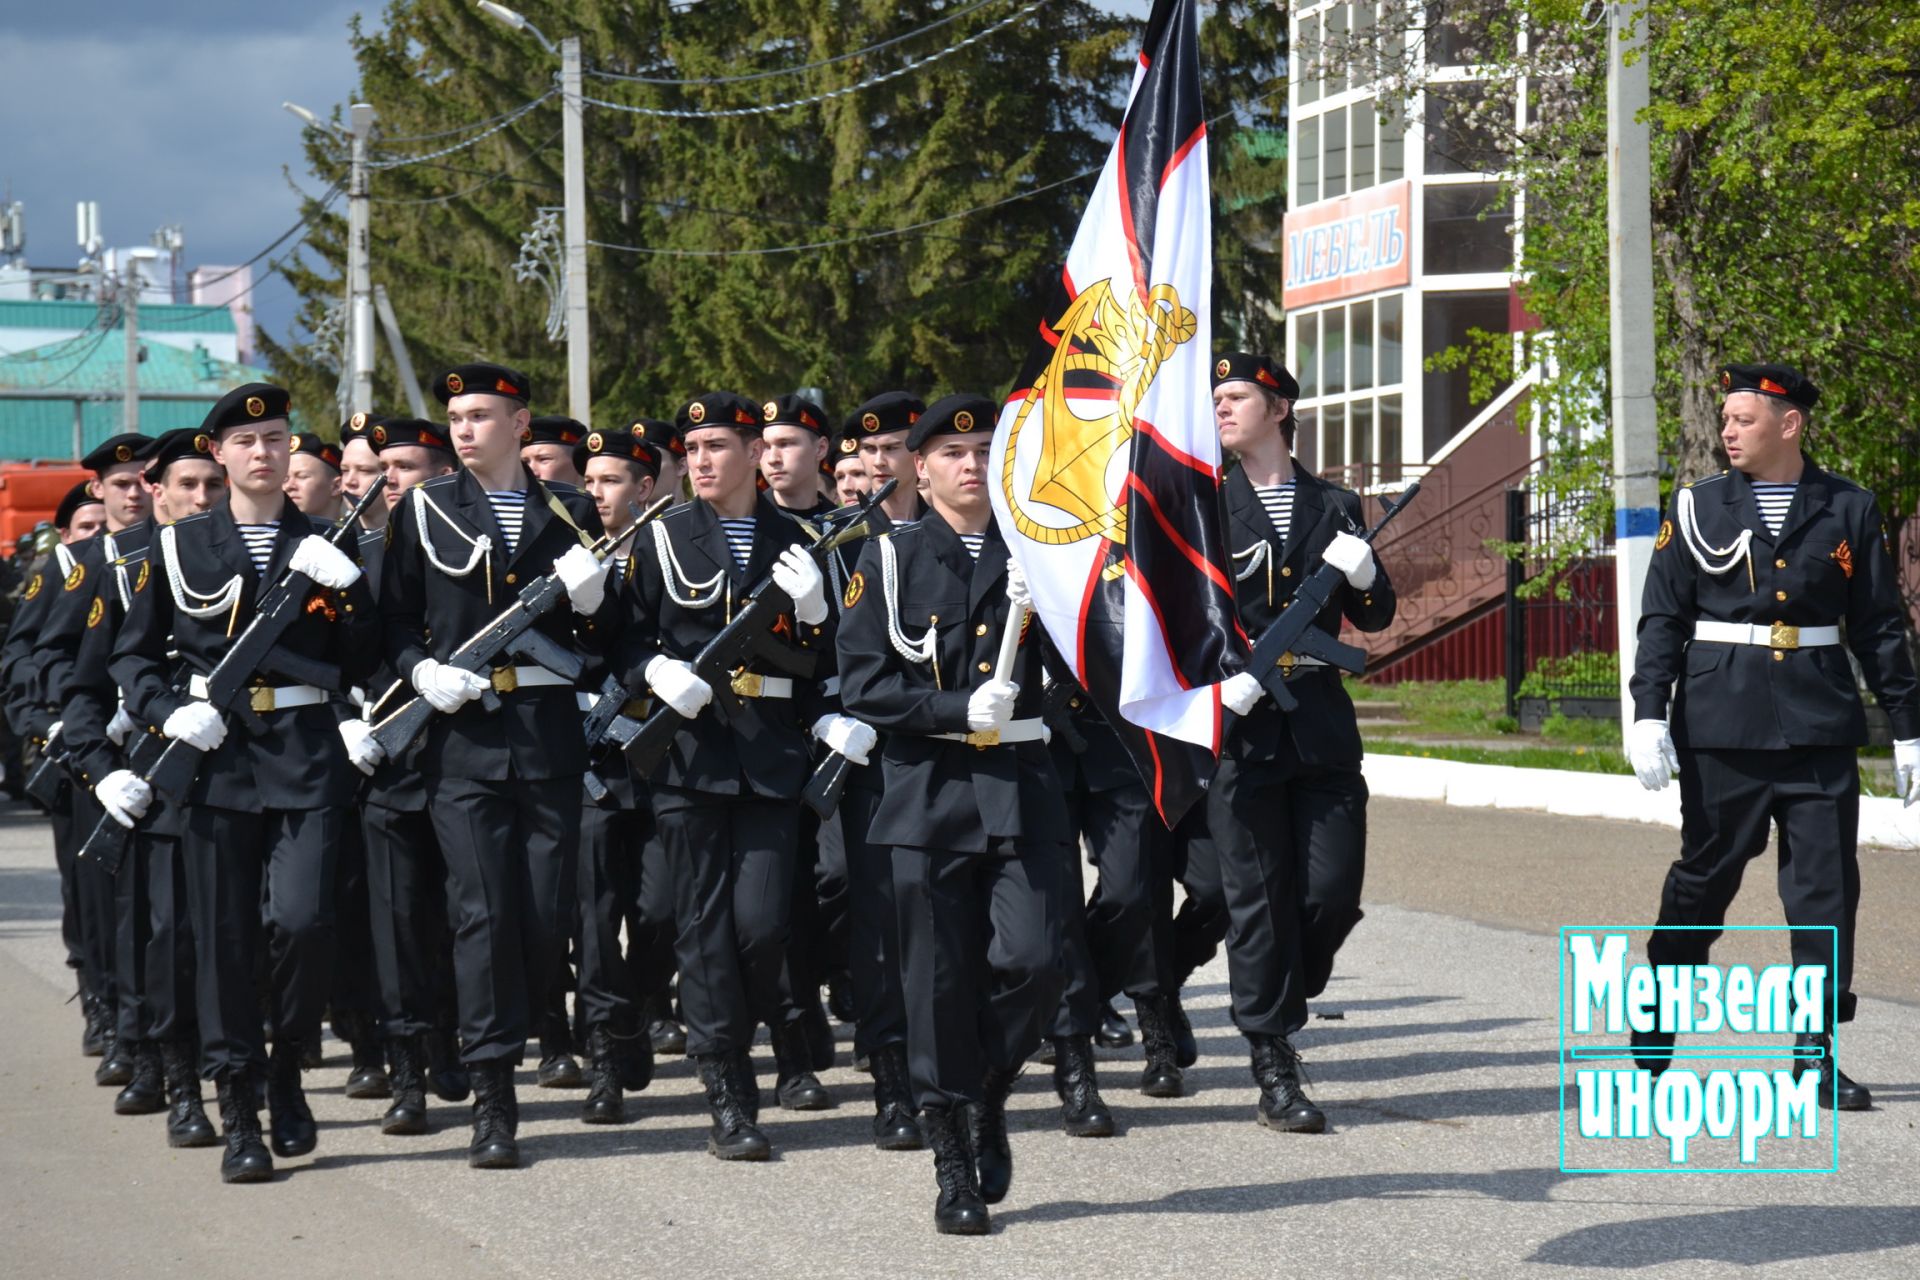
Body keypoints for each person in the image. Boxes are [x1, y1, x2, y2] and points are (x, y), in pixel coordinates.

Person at [1625, 362, 1919, 1111]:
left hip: (1818, 722)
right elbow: (1663, 617)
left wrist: (1908, 729)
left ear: (1789, 425)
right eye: (1725, 419)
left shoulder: (1847, 507)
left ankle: (1815, 1052)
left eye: (1743, 419)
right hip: (1723, 725)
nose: (1727, 430)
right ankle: (1661, 992)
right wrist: (1649, 712)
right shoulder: (1697, 506)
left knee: (1826, 890)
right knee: (1708, 875)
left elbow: (1880, 624)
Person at [110, 383, 377, 1183]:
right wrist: (165, 712)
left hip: (304, 755)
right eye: (247, 441)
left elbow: (364, 658)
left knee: (302, 923)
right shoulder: (177, 546)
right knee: (222, 942)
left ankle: (289, 1066)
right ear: (219, 455)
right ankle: (242, 1110)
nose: (264, 452)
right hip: (217, 760)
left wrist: (352, 594)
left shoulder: (333, 541)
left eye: (276, 438)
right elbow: (132, 657)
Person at [837, 392, 1073, 1235]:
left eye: (983, 455)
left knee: (1038, 961)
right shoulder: (889, 560)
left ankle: (989, 1093)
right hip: (928, 797)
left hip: (1022, 789)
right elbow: (866, 682)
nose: (970, 467)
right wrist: (951, 710)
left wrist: (1060, 606)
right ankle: (952, 1162)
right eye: (951, 454)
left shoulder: (1043, 555)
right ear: (921, 467)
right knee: (935, 988)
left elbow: (1098, 660)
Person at [379, 364, 615, 1168]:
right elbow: (394, 622)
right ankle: (492, 1096)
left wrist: (593, 604)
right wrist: (419, 672)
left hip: (547, 738)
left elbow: (607, 642)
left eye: (481, 415)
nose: (464, 428)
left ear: (522, 425)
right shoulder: (425, 508)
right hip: (464, 742)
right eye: (456, 416)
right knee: (481, 913)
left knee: (546, 919)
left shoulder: (572, 511)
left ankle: (523, 1038)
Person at [620, 390, 840, 1160]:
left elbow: (836, 655)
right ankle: (729, 1095)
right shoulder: (664, 534)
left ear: (754, 453)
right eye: (694, 449)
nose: (702, 461)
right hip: (690, 755)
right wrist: (651, 668)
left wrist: (816, 613)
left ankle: (779, 1028)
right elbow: (623, 635)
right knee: (705, 930)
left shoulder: (805, 538)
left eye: (718, 446)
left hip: (771, 755)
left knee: (762, 924)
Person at [1211, 352, 1396, 1135]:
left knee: (1329, 894)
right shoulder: (1201, 503)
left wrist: (1362, 571)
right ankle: (1273, 1062)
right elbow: (1175, 614)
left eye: (1238, 397)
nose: (1223, 409)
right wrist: (1218, 682)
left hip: (1318, 722)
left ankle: (1294, 983)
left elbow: (1378, 615)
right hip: (1239, 724)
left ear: (1280, 408)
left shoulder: (1334, 503)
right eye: (1216, 398)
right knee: (1257, 904)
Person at [68, 427, 224, 1145]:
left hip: (240, 775)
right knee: (167, 936)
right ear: (155, 493)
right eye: (185, 486)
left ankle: (252, 1073)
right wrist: (102, 773)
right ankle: (172, 1073)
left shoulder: (247, 553)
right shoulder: (123, 567)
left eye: (210, 485)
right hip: (156, 778)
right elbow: (85, 690)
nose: (200, 499)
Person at [14, 437, 152, 1086]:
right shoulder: (74, 566)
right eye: (120, 482)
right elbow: (34, 654)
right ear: (98, 489)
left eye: (143, 481)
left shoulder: (177, 552)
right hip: (90, 754)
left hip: (164, 747)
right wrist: (63, 718)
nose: (134, 493)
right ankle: (114, 1014)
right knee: (99, 898)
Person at [354, 416, 471, 1134]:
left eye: (406, 467)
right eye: (383, 467)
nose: (388, 479)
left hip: (463, 756)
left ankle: (449, 1037)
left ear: (444, 474)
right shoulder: (355, 552)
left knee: (462, 913)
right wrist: (349, 714)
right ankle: (406, 1072)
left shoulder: (475, 546)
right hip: (388, 758)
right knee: (397, 923)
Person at [568, 425, 662, 1124]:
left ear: (646, 488)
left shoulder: (669, 551)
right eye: (589, 482)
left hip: (661, 753)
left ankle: (638, 1012)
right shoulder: (568, 556)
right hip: (590, 759)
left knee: (660, 909)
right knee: (595, 917)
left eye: (611, 481)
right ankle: (604, 1051)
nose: (596, 493)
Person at [844, 392, 927, 531]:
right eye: (869, 449)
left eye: (890, 448)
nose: (878, 462)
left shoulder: (946, 526)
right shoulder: (842, 531)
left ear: (919, 449)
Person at [285, 432, 346, 523]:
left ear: (336, 486)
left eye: (302, 476)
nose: (289, 486)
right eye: (284, 479)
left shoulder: (357, 536)